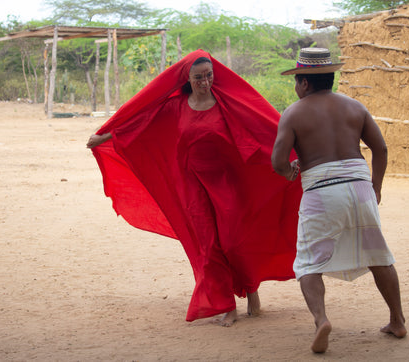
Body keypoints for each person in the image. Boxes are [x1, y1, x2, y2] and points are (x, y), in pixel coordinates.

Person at [87, 49, 302, 326]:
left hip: (227, 183)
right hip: (191, 185)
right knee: (208, 245)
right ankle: (226, 305)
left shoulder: (227, 103)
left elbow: (263, 128)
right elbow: (141, 123)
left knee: (235, 241)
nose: (205, 81)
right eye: (198, 77)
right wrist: (104, 136)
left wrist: (297, 153)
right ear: (187, 78)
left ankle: (251, 291)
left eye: (209, 75)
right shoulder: (176, 105)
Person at [271, 48, 407, 352]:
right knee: (378, 256)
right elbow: (381, 150)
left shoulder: (293, 113)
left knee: (308, 264)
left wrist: (291, 172)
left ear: (304, 83)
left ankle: (321, 320)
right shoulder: (354, 106)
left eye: (296, 81)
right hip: (359, 188)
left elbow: (278, 161)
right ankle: (397, 320)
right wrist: (376, 187)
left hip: (321, 191)